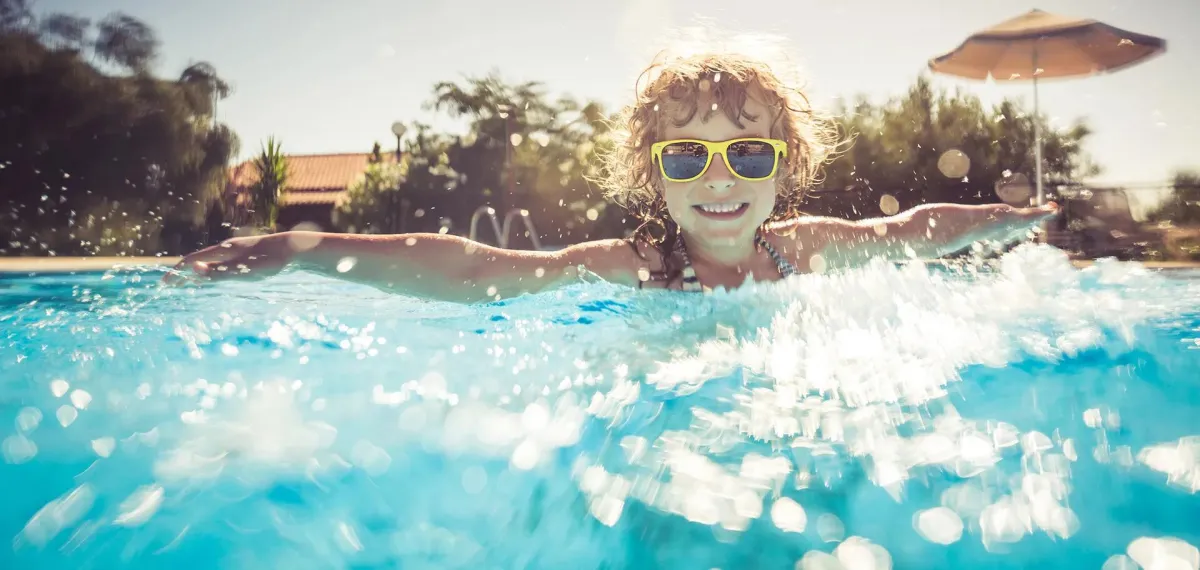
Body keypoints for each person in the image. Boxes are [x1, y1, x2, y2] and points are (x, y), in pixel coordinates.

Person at [165, 47, 1057, 303]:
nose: (721, 176)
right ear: (655, 175)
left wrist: (1010, 219)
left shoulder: (805, 252)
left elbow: (911, 233)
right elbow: (476, 269)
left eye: (748, 152)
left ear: (783, 170)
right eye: (687, 154)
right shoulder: (633, 267)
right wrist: (297, 240)